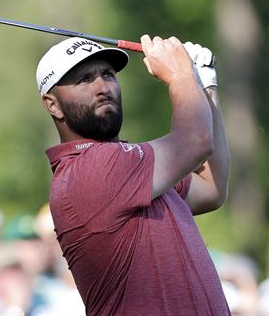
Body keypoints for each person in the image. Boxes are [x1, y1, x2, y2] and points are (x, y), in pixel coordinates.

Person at [36, 35, 230, 315]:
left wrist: (205, 85)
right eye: (84, 80)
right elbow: (197, 141)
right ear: (52, 105)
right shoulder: (89, 169)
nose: (102, 87)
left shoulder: (131, 167)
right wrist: (179, 74)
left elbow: (212, 187)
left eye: (108, 74)